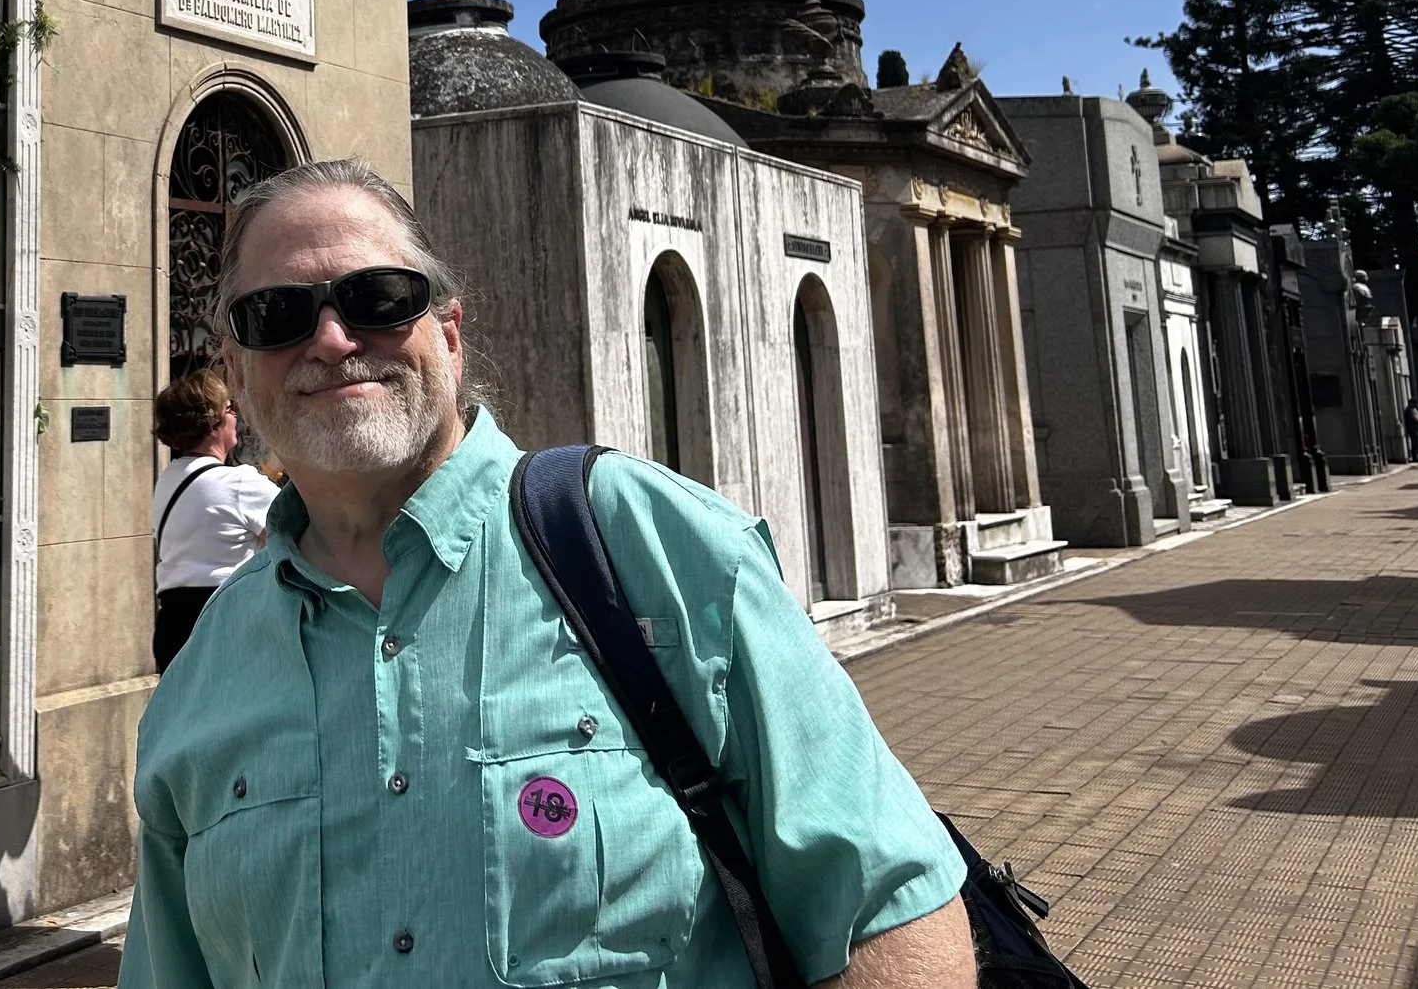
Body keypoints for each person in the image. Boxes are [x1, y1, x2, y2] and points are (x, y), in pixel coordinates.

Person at [124, 158, 976, 989]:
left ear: (448, 336)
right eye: (278, 314)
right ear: (235, 370)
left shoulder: (649, 547)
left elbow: (882, 904)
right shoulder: (202, 679)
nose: (335, 339)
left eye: (379, 298)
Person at [149, 371, 276, 672]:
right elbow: (299, 532)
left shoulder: (169, 479)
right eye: (230, 408)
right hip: (226, 620)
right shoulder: (239, 483)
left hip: (172, 625)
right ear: (213, 424)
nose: (236, 416)